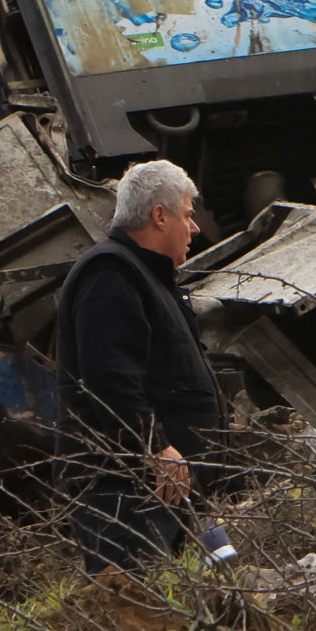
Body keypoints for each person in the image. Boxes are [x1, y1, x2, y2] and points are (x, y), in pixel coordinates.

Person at [55, 160, 224, 573]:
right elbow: (109, 374)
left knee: (186, 616)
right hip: (127, 490)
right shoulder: (110, 275)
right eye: (188, 215)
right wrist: (154, 448)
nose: (195, 228)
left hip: (165, 489)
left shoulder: (148, 278)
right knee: (136, 610)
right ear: (160, 215)